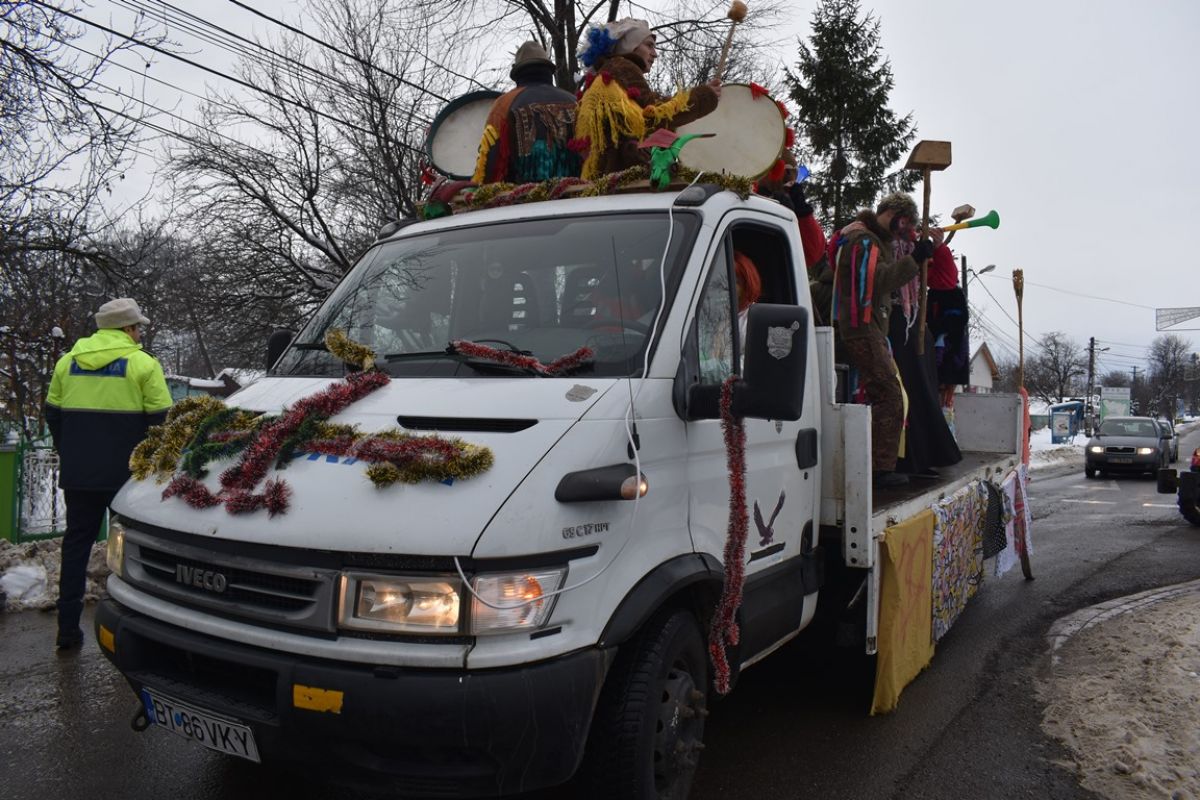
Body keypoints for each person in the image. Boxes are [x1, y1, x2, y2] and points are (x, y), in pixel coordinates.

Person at [44, 298, 172, 649]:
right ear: (127, 328)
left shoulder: (67, 362)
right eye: (137, 328)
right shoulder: (143, 364)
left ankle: (67, 629)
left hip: (79, 475)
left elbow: (52, 414)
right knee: (130, 551)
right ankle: (132, 626)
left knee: (76, 546)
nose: (139, 334)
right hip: (127, 479)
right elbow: (163, 423)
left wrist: (71, 451)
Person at [832, 193, 934, 488]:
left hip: (867, 327)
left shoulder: (872, 240)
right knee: (889, 395)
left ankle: (876, 465)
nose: (905, 230)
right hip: (861, 328)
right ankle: (878, 469)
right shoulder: (864, 241)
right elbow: (878, 281)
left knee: (886, 393)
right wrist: (914, 260)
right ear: (890, 214)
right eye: (904, 223)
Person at [574, 18, 720, 180]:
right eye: (649, 45)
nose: (655, 54)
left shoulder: (607, 74)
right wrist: (705, 96)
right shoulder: (622, 67)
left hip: (604, 176)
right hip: (624, 175)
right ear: (630, 46)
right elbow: (656, 112)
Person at [472, 41, 582, 184]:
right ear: (549, 70)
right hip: (582, 193)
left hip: (523, 195)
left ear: (517, 73)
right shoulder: (575, 101)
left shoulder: (504, 104)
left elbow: (490, 160)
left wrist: (481, 190)